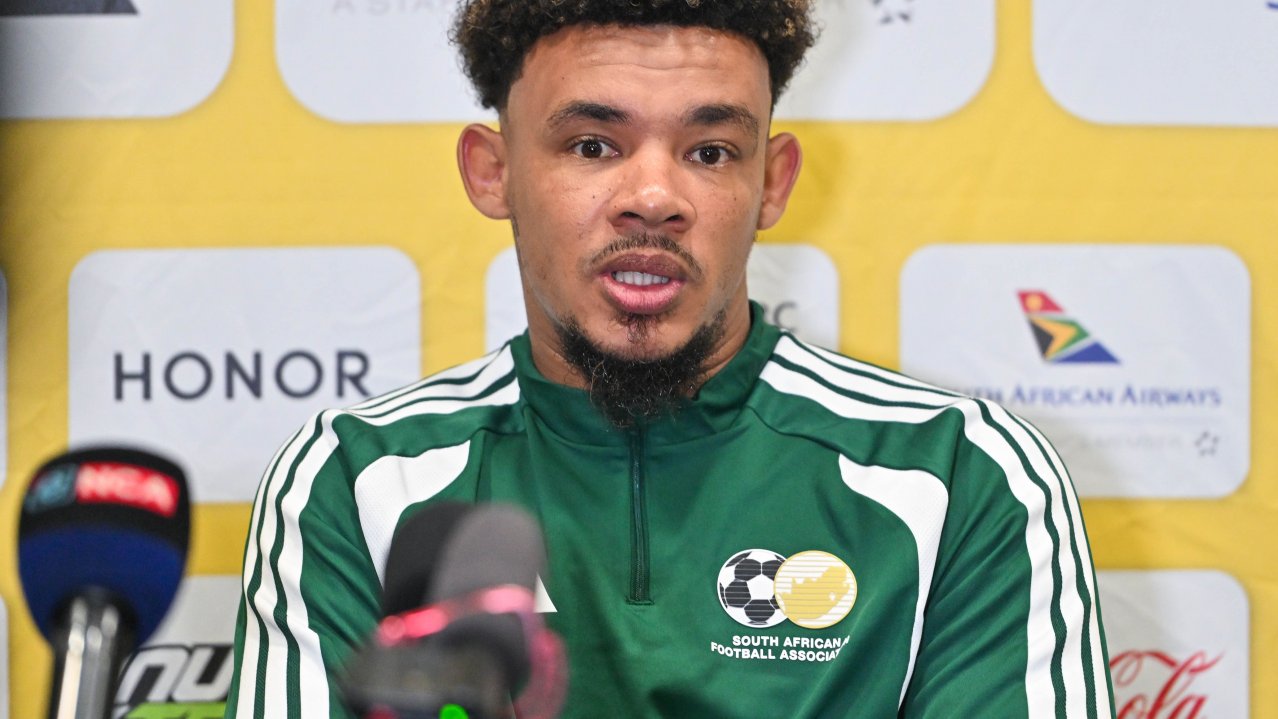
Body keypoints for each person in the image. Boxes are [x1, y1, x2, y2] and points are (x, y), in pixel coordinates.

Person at [227, 1, 1114, 717]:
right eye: (592, 145)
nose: (653, 197)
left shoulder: (961, 472)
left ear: (770, 181)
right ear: (491, 172)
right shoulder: (356, 479)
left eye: (710, 151)